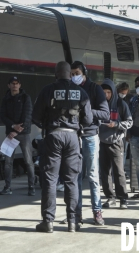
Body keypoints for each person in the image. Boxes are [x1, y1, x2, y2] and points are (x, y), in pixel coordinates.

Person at [32, 61, 93, 233]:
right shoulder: (81, 92)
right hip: (73, 137)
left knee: (50, 179)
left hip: (53, 135)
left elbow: (35, 117)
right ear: (70, 74)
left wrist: (46, 123)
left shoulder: (47, 90)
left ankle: (48, 221)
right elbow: (88, 120)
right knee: (71, 180)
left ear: (56, 73)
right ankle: (72, 222)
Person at [70, 61, 110, 225]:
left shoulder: (95, 89)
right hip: (74, 136)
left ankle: (97, 211)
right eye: (72, 74)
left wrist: (85, 110)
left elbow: (105, 114)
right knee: (76, 176)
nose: (74, 77)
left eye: (77, 73)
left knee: (93, 176)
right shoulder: (70, 89)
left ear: (84, 72)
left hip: (90, 135)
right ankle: (77, 213)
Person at [98, 79, 132, 209]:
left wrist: (117, 124)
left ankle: (123, 198)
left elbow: (129, 122)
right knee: (105, 172)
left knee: (119, 171)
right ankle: (110, 197)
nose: (106, 95)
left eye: (108, 92)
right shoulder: (99, 104)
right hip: (102, 142)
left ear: (113, 92)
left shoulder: (120, 104)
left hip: (116, 142)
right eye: (103, 92)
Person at [0, 76, 35, 196]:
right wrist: (13, 126)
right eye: (12, 83)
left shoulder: (26, 98)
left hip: (23, 134)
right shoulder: (5, 99)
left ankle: (31, 186)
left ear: (20, 85)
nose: (15, 85)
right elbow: (3, 116)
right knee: (8, 162)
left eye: (17, 83)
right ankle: (7, 187)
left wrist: (17, 130)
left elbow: (28, 116)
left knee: (28, 161)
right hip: (10, 133)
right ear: (8, 85)